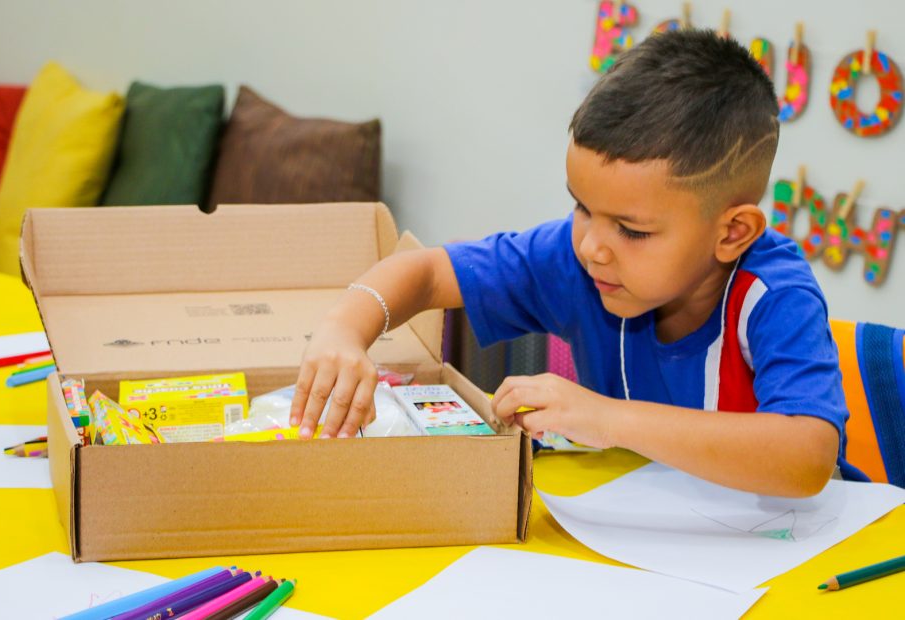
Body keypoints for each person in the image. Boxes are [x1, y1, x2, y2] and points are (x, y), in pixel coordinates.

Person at [290, 29, 867, 497]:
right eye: (581, 206)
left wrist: (607, 418)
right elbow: (426, 272)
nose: (592, 244)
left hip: (792, 549)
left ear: (732, 232)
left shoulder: (775, 295)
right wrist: (344, 329)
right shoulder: (580, 261)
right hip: (647, 536)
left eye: (633, 230)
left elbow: (807, 457)